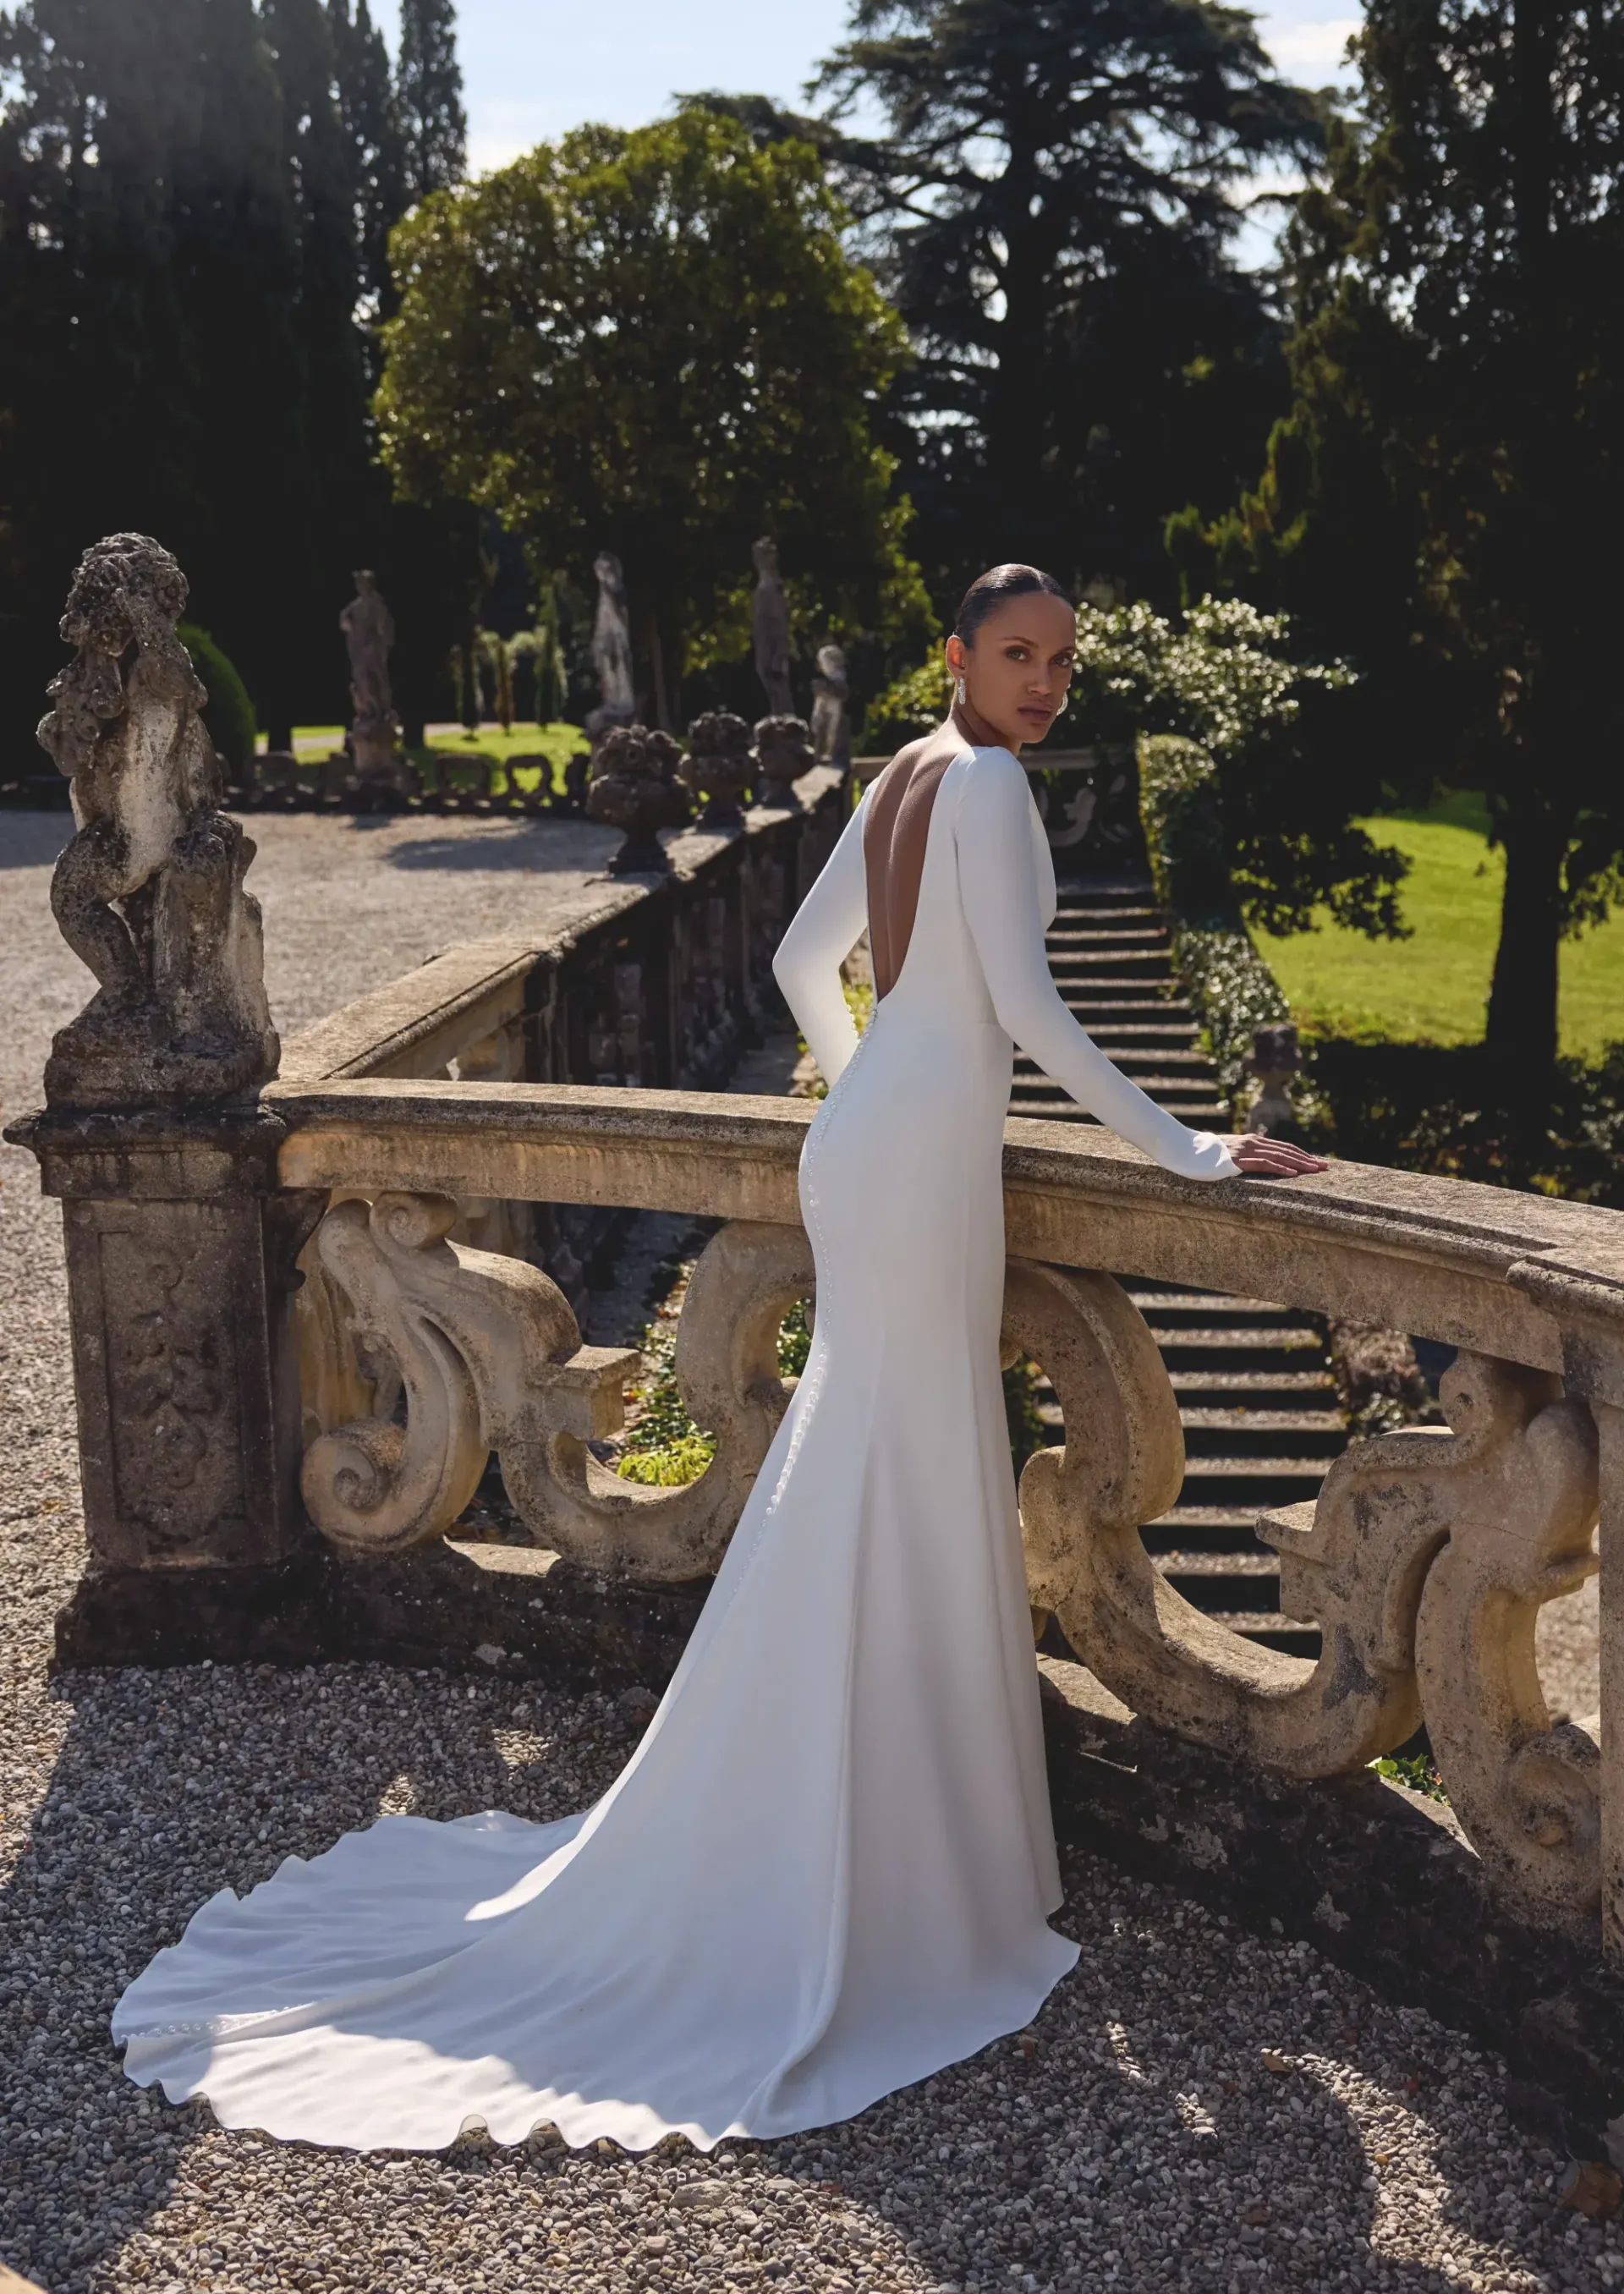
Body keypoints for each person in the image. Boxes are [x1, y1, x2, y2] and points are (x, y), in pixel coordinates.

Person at [112, 563, 1325, 2154]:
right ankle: (910, 1871)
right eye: (1020, 655)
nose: (1046, 682)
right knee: (907, 1460)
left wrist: (878, 1081)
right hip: (916, 1155)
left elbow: (797, 971)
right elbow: (1027, 1001)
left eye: (1062, 662)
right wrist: (1189, 1152)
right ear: (960, 656)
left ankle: (883, 1840)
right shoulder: (997, 790)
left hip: (871, 1141)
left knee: (877, 1464)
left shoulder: (904, 772)